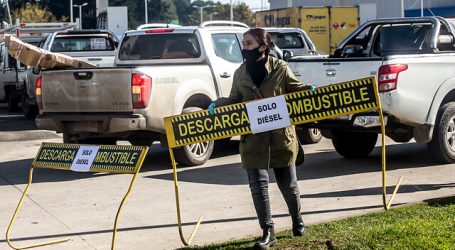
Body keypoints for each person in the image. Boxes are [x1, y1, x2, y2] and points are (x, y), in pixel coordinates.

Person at [209, 28, 314, 250]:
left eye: (248, 44)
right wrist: (216, 104)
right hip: (253, 139)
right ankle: (268, 232)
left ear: (263, 47)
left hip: (280, 137)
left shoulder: (280, 68)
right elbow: (234, 98)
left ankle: (297, 220)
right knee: (258, 187)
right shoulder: (241, 73)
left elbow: (295, 90)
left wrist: (309, 90)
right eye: (243, 44)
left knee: (289, 186)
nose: (244, 48)